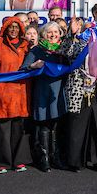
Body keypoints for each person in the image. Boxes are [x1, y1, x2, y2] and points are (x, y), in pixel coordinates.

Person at [0, 16, 33, 173]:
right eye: (11, 27)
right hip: (1, 96)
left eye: (17, 27)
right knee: (2, 131)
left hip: (21, 94)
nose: (14, 30)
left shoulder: (26, 46)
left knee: (18, 129)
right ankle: (0, 162)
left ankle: (19, 161)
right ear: (5, 29)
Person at [60, 28, 97, 173]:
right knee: (77, 130)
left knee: (96, 128)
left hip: (95, 93)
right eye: (88, 31)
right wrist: (71, 33)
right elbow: (65, 51)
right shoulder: (76, 47)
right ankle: (75, 162)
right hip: (79, 93)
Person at [28, 21, 67, 170]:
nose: (52, 35)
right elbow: (24, 67)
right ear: (44, 35)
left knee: (56, 125)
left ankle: (55, 157)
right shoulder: (37, 50)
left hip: (57, 91)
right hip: (42, 91)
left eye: (55, 32)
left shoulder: (63, 49)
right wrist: (34, 65)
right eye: (49, 32)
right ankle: (44, 159)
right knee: (44, 125)